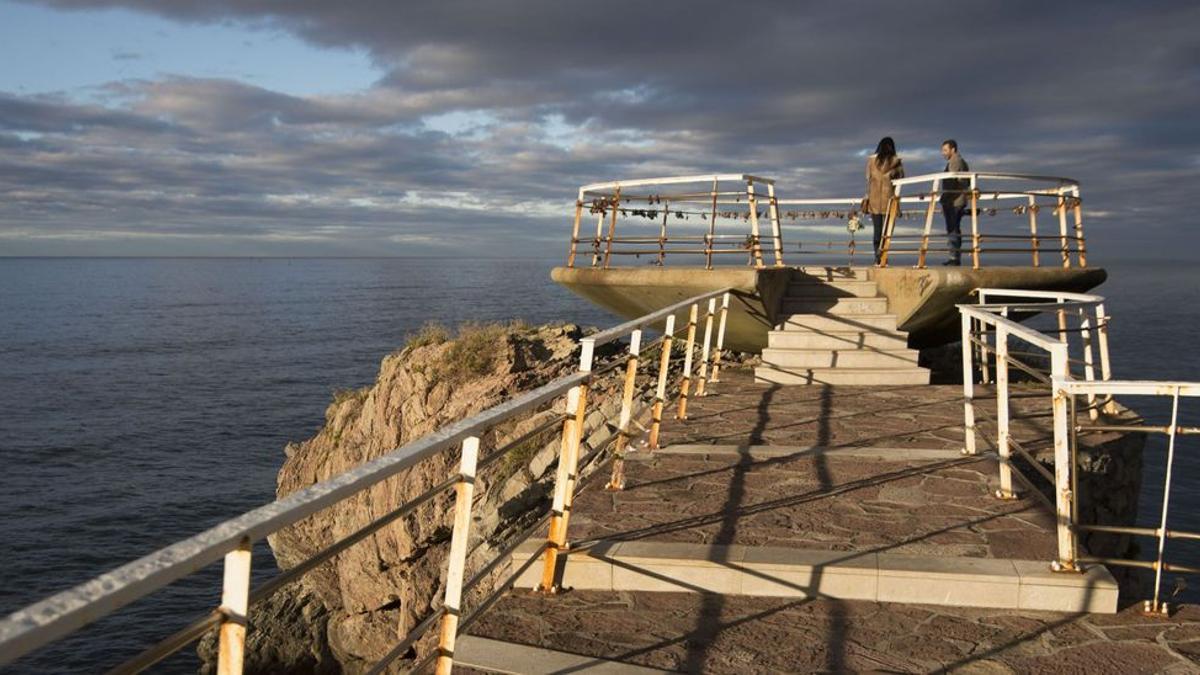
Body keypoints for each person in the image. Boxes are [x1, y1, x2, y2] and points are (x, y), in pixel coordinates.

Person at [864, 137, 905, 265]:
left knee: (877, 231)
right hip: (890, 201)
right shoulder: (897, 162)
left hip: (874, 200)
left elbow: (867, 178)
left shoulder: (871, 161)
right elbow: (902, 178)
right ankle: (883, 258)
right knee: (887, 232)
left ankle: (878, 258)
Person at [940, 139, 970, 265]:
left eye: (945, 150)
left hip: (954, 200)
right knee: (954, 228)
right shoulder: (958, 161)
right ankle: (954, 257)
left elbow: (953, 181)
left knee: (952, 229)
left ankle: (954, 258)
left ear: (953, 149)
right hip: (956, 199)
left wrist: (945, 197)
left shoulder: (955, 161)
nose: (943, 153)